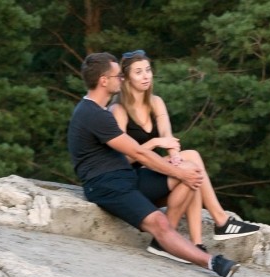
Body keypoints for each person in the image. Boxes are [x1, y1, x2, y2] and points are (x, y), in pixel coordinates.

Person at [67, 52, 240, 277]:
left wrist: (182, 170)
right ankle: (212, 263)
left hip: (127, 176)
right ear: (103, 80)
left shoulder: (100, 111)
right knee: (159, 219)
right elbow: (138, 152)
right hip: (106, 185)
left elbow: (141, 156)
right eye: (119, 76)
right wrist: (177, 170)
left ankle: (163, 243)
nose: (122, 79)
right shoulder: (92, 114)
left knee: (192, 173)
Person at [109, 49, 259, 262]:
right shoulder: (119, 110)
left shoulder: (155, 102)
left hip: (150, 169)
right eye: (138, 72)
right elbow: (123, 159)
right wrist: (153, 143)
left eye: (148, 70)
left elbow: (168, 137)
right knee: (189, 167)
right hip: (129, 179)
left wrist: (176, 156)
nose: (146, 76)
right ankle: (220, 222)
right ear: (126, 78)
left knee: (191, 159)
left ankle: (199, 242)